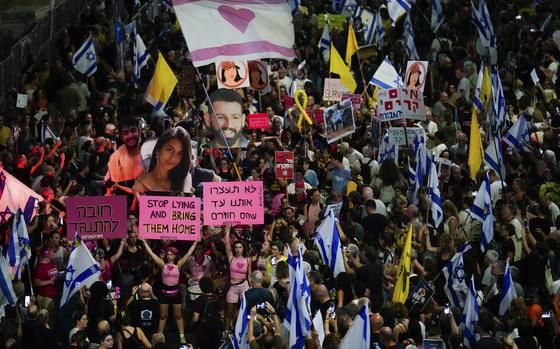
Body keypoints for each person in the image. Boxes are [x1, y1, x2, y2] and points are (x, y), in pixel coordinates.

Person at [142, 239, 198, 344]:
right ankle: (159, 336)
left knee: (178, 316)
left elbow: (189, 253)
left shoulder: (179, 264)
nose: (169, 256)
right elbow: (152, 253)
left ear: (175, 255)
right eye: (167, 254)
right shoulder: (162, 264)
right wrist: (144, 242)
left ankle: (182, 336)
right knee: (163, 316)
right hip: (164, 294)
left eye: (171, 254)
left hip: (176, 294)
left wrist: (195, 242)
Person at [133, 126, 192, 193]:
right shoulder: (141, 180)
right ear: (158, 149)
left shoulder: (184, 179)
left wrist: (155, 187)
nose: (173, 158)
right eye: (170, 150)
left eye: (180, 153)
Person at [224, 225, 251, 334]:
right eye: (236, 247)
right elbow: (227, 244)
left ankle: (240, 329)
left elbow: (249, 275)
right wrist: (227, 231)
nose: (238, 249)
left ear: (243, 248)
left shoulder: (247, 259)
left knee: (244, 310)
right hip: (233, 287)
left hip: (244, 286)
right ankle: (226, 330)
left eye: (240, 247)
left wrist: (251, 287)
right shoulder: (231, 257)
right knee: (229, 312)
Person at [105, 116, 142, 184]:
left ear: (139, 132)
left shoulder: (150, 153)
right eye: (125, 133)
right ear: (121, 137)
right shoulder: (115, 159)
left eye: (133, 131)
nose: (130, 136)